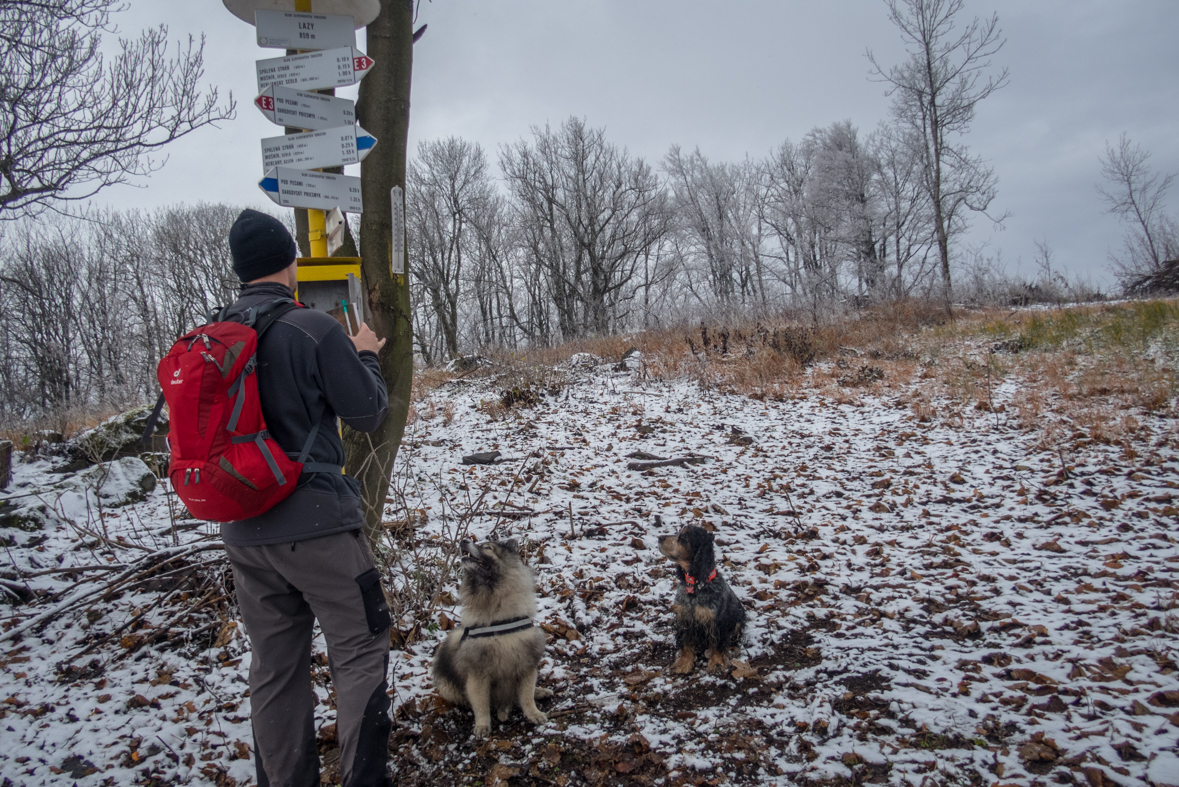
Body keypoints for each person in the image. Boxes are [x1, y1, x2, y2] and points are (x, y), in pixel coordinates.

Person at [219, 208, 392, 787]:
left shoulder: (215, 336)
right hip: (316, 525)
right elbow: (367, 412)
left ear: (242, 272)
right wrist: (365, 352)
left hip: (244, 534)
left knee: (274, 669)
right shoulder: (311, 328)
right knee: (360, 645)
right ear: (292, 263)